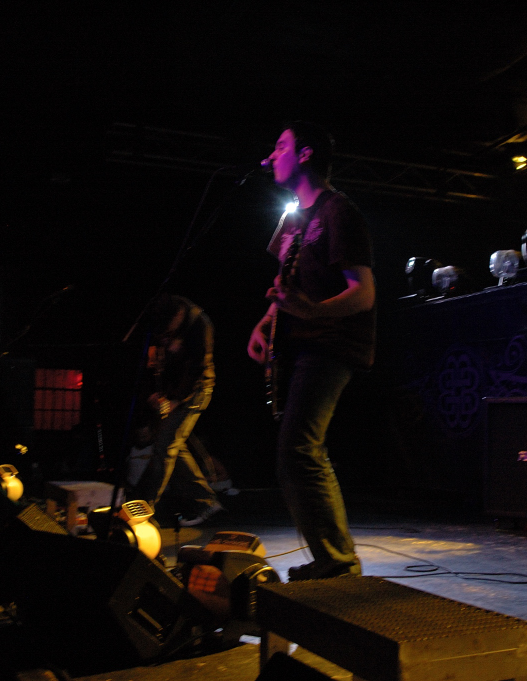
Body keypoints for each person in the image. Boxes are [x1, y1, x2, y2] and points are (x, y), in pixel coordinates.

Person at [247, 121, 376, 581]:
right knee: (297, 451)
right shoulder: (290, 218)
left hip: (331, 343)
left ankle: (337, 561)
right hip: (300, 343)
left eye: (279, 146)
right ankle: (333, 558)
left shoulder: (339, 211)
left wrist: (313, 312)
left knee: (299, 447)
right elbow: (287, 285)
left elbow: (364, 293)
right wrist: (267, 321)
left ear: (304, 154)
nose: (270, 155)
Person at [132, 295, 224, 527]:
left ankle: (145, 511)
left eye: (169, 329)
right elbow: (156, 362)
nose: (166, 334)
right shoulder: (164, 320)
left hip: (195, 392)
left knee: (165, 448)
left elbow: (197, 369)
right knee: (173, 446)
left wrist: (175, 399)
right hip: (172, 392)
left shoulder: (200, 324)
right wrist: (155, 393)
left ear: (179, 314)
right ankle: (206, 501)